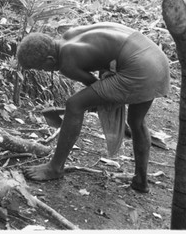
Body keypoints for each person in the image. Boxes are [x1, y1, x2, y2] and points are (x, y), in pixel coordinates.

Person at [16, 22, 170, 193]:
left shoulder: (66, 63)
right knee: (136, 121)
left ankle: (55, 167)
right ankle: (141, 180)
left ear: (50, 60)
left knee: (74, 104)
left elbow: (93, 89)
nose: (44, 71)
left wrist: (83, 108)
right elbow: (101, 84)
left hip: (139, 68)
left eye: (41, 68)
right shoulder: (71, 34)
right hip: (156, 59)